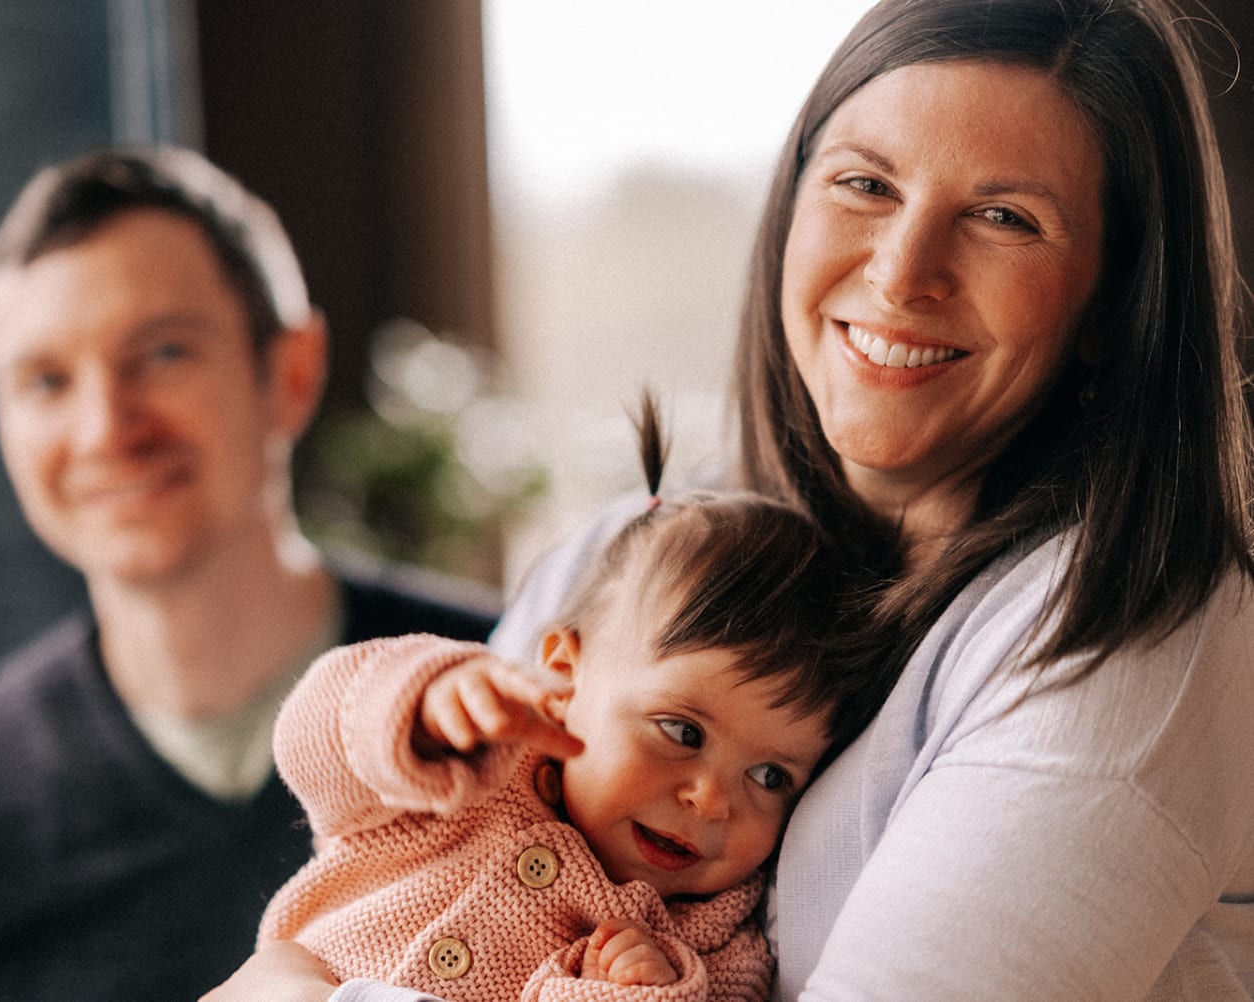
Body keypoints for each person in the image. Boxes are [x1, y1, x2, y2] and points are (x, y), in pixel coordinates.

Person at [206, 0, 1254, 999]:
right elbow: (359, 788)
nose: (901, 273)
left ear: (1117, 305)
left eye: (1001, 216)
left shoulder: (1135, 631)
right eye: (865, 185)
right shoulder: (635, 544)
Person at [0, 147, 498, 1002]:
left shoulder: (506, 690)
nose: (104, 429)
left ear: (292, 372)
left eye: (161, 354)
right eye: (46, 381)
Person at [250, 398, 881, 1002]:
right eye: (682, 732)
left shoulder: (715, 948)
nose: (712, 800)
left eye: (770, 775)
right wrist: (421, 705)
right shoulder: (463, 775)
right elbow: (312, 746)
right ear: (563, 677)